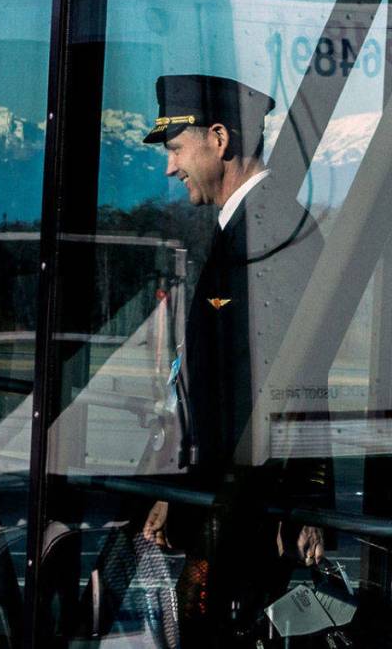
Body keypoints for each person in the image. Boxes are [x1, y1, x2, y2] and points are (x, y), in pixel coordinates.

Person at [139, 74, 331, 647]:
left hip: (246, 515)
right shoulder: (250, 227)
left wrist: (296, 506)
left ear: (218, 139)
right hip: (233, 506)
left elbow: (276, 393)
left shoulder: (269, 232)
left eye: (176, 149)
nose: (170, 169)